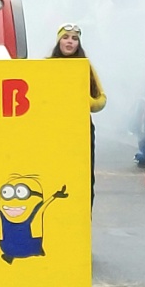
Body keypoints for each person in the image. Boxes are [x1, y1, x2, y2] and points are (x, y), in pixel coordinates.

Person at [51, 23, 106, 207]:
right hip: (54, 131)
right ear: (59, 41)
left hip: (81, 131)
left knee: (83, 179)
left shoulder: (86, 66)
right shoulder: (45, 66)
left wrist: (84, 102)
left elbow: (101, 99)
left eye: (74, 39)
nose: (70, 42)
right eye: (66, 37)